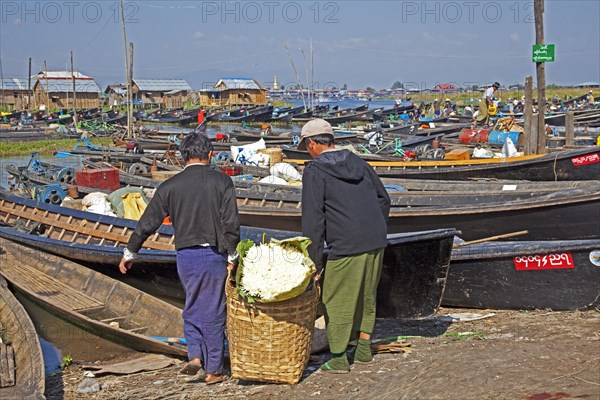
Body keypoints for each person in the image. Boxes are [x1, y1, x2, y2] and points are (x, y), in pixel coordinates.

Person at [119, 133, 239, 385]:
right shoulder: (223, 182)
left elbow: (147, 222)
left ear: (184, 157)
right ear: (210, 154)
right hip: (213, 255)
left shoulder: (170, 187)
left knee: (193, 304)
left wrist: (131, 252)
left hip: (185, 257)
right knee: (214, 311)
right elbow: (230, 224)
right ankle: (214, 370)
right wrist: (232, 255)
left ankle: (195, 355)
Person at [299, 119, 391, 374]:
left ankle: (339, 357)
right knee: (366, 294)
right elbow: (384, 198)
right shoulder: (357, 161)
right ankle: (362, 348)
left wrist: (314, 262)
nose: (308, 151)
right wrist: (375, 227)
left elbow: (313, 222)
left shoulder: (315, 171)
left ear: (312, 143)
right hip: (375, 239)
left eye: (307, 146)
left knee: (335, 297)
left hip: (346, 243)